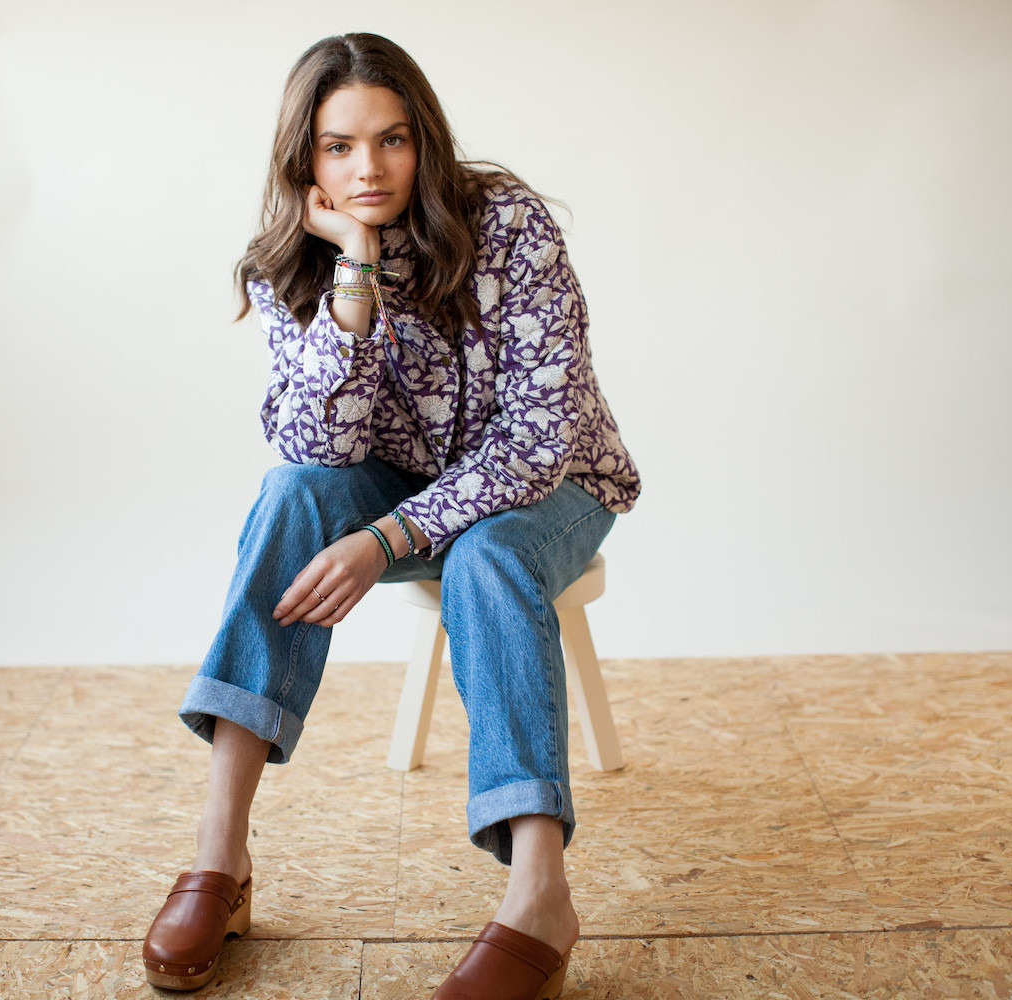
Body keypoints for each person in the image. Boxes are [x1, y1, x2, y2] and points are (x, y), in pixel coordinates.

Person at [142, 32, 640, 1000]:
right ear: (305, 159)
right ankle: (220, 855)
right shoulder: (289, 263)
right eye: (339, 146)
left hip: (558, 486)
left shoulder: (509, 225)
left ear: (425, 141)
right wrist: (356, 273)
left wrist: (389, 538)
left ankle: (539, 896)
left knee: (487, 555)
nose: (368, 167)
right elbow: (317, 449)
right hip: (402, 480)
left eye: (392, 139)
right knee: (291, 495)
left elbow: (538, 441)